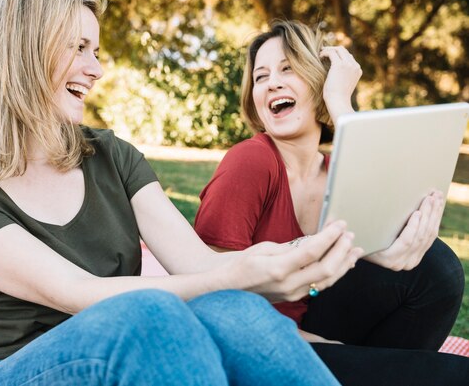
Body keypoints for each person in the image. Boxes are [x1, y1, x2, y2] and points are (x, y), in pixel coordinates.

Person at [0, 0, 367, 386]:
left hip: (127, 348)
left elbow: (199, 265)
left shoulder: (112, 156)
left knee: (233, 306)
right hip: (6, 371)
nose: (95, 69)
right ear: (23, 51)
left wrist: (301, 253)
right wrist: (240, 273)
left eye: (95, 52)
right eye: (78, 47)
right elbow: (79, 294)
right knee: (151, 313)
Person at [194, 19, 469, 385]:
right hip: (254, 344)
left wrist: (339, 102)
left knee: (438, 269)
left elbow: (395, 208)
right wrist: (313, 342)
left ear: (319, 82)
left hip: (313, 319)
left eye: (288, 69)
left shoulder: (334, 171)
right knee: (453, 374)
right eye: (261, 77)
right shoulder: (251, 161)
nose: (272, 82)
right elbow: (209, 290)